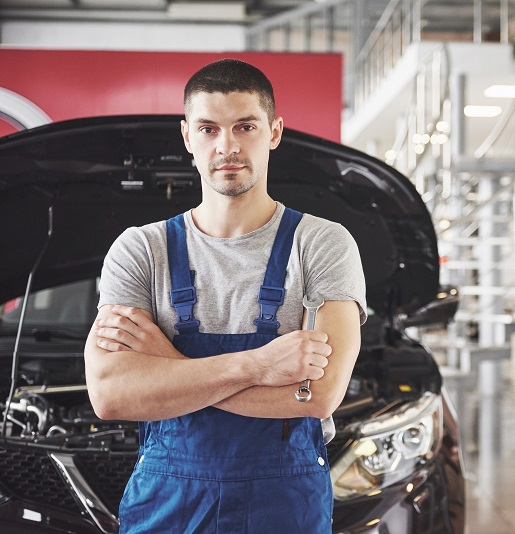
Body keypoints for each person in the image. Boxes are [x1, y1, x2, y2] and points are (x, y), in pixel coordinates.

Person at [83, 58, 367, 533]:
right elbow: (112, 396)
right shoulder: (141, 249)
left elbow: (318, 395)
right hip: (167, 507)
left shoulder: (321, 243)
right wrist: (259, 367)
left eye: (245, 126)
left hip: (283, 507)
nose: (227, 146)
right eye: (209, 128)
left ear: (274, 132)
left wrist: (167, 368)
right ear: (187, 136)